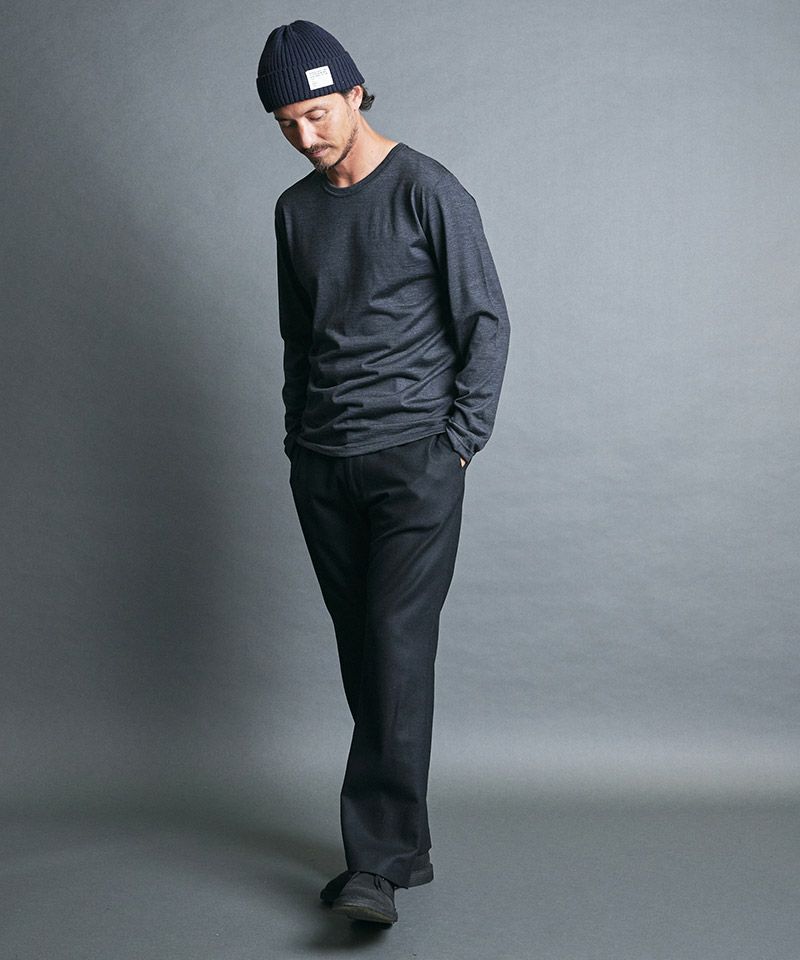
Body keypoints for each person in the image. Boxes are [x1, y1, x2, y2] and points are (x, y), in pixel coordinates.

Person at [255, 20, 510, 925]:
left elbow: (485, 321)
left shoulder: (428, 189)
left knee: (397, 646)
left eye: (317, 113)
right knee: (366, 654)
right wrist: (299, 442)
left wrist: (459, 443)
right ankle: (409, 842)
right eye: (287, 123)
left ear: (355, 94)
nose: (305, 135)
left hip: (415, 461)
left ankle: (376, 868)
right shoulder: (294, 211)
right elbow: (299, 339)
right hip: (324, 466)